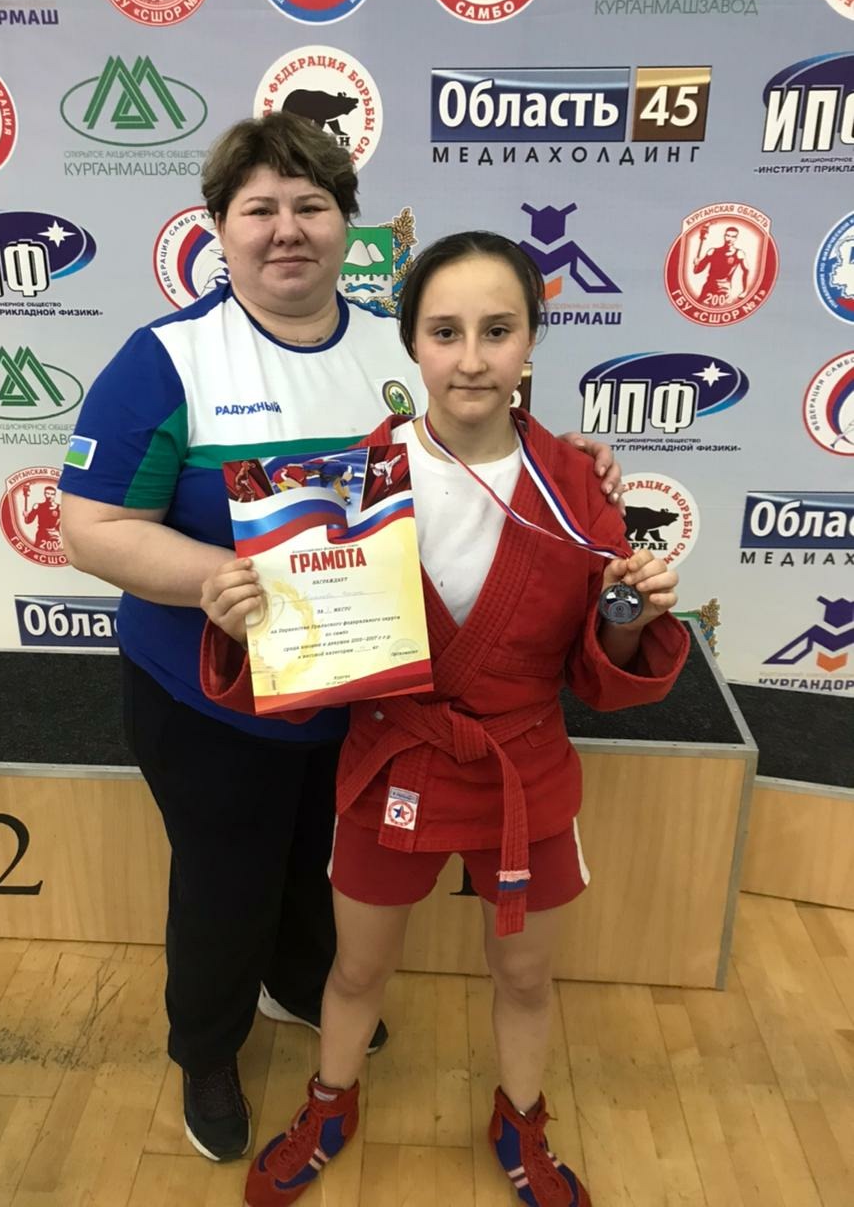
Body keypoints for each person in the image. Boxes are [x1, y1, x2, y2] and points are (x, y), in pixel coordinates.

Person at [58, 115, 625, 1168]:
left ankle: (301, 988)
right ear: (218, 226)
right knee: (225, 880)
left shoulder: (396, 350)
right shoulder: (167, 358)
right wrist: (212, 578)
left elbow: (481, 452)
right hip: (211, 695)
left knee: (321, 874)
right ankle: (209, 1050)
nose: (287, 229)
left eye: (311, 206)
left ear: (345, 225)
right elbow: (87, 526)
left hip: (366, 696)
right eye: (260, 208)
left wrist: (575, 461)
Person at [200, 231, 689, 1207]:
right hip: (399, 760)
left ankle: (521, 1117)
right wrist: (242, 621)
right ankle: (329, 1102)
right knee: (355, 970)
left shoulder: (574, 484)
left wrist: (630, 615)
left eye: (497, 331)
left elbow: (599, 668)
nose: (471, 358)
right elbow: (310, 655)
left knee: (525, 976)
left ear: (530, 341)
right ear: (412, 343)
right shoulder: (343, 483)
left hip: (522, 767)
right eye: (445, 331)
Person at [692, 225, 749, 306]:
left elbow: (746, 271)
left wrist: (745, 291)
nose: (729, 239)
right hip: (708, 286)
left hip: (724, 288)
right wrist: (697, 263)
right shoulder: (712, 251)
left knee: (719, 309)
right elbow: (697, 271)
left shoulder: (739, 254)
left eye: (733, 237)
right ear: (724, 236)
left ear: (736, 238)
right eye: (727, 235)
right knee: (698, 307)